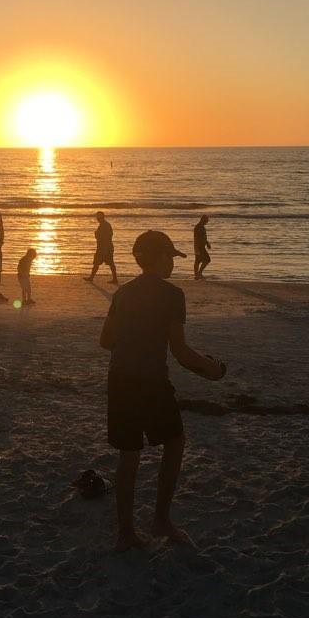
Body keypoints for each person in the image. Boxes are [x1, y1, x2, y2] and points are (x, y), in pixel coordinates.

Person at [100, 230, 226, 552]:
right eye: (169, 256)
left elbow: (105, 341)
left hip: (120, 378)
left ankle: (125, 532)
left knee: (129, 454)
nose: (172, 262)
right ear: (156, 258)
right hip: (151, 380)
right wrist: (212, 369)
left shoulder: (123, 293)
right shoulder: (172, 295)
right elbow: (181, 352)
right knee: (174, 441)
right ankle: (161, 519)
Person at [84, 211, 117, 285]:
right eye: (97, 217)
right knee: (101, 263)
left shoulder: (105, 225)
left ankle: (92, 277)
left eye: (98, 217)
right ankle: (92, 277)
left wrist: (96, 234)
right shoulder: (104, 225)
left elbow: (106, 237)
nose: (97, 219)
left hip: (104, 247)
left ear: (102, 217)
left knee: (104, 263)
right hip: (105, 247)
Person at [193, 214, 211, 280]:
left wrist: (207, 243)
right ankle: (197, 274)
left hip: (202, 246)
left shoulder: (202, 227)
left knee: (200, 260)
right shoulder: (198, 227)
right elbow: (196, 238)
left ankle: (198, 274)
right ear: (203, 220)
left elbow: (203, 237)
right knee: (204, 260)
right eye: (206, 220)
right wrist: (196, 249)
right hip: (199, 247)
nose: (207, 221)